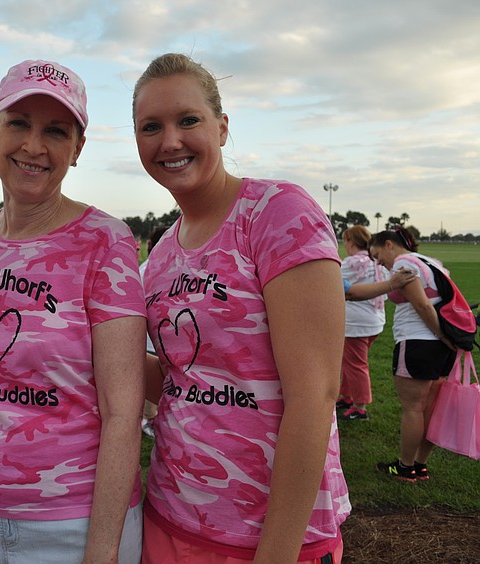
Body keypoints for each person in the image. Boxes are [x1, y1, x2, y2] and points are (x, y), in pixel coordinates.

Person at [134, 53, 348, 563]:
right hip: (170, 515)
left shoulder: (277, 213)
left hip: (271, 537)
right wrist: (67, 340)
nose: (170, 141)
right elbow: (180, 381)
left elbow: (315, 396)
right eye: (151, 126)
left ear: (222, 127)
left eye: (188, 120)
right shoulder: (161, 253)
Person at [0, 59, 146, 563]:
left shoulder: (104, 241)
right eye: (18, 124)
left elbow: (124, 411)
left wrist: (102, 549)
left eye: (55, 131)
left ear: (76, 149)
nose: (34, 146)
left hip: (73, 524)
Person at [369, 227, 458, 483]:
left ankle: (405, 467)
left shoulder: (404, 262)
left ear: (389, 244)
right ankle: (420, 464)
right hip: (442, 348)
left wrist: (439, 334)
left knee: (413, 409)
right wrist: (445, 338)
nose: (379, 262)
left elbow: (422, 304)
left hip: (418, 342)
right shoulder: (433, 262)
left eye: (377, 255)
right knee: (431, 407)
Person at [336, 226, 390, 420]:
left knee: (356, 365)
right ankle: (347, 396)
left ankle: (360, 407)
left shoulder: (351, 263)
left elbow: (333, 283)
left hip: (356, 323)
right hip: (375, 320)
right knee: (350, 363)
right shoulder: (376, 262)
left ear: (351, 242)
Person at [140, 225, 170, 439]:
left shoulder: (143, 269)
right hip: (155, 346)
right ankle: (149, 423)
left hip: (149, 344)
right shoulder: (154, 270)